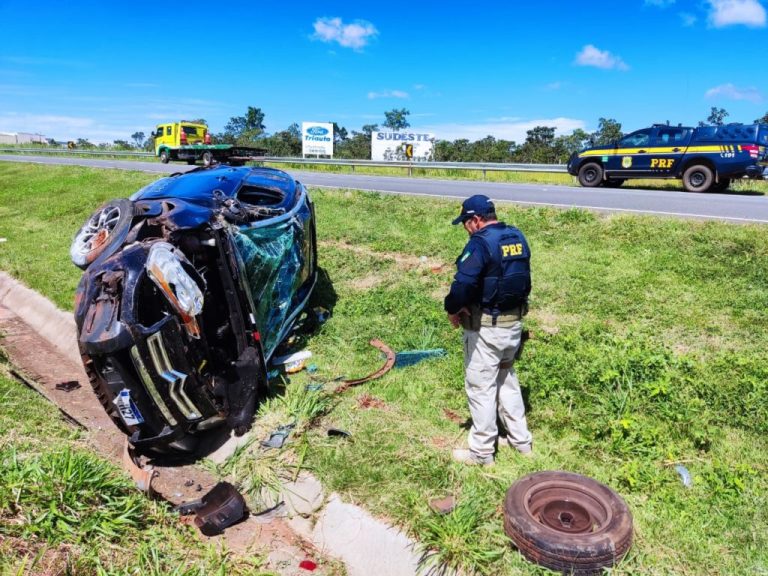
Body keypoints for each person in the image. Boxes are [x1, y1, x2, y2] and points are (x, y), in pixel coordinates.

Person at [444, 194, 533, 466]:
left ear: (476, 220)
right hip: (513, 326)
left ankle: (482, 452)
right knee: (506, 381)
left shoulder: (480, 244)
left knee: (480, 387)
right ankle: (521, 442)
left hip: (487, 330)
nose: (465, 229)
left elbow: (463, 285)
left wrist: (452, 308)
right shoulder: (515, 237)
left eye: (465, 223)